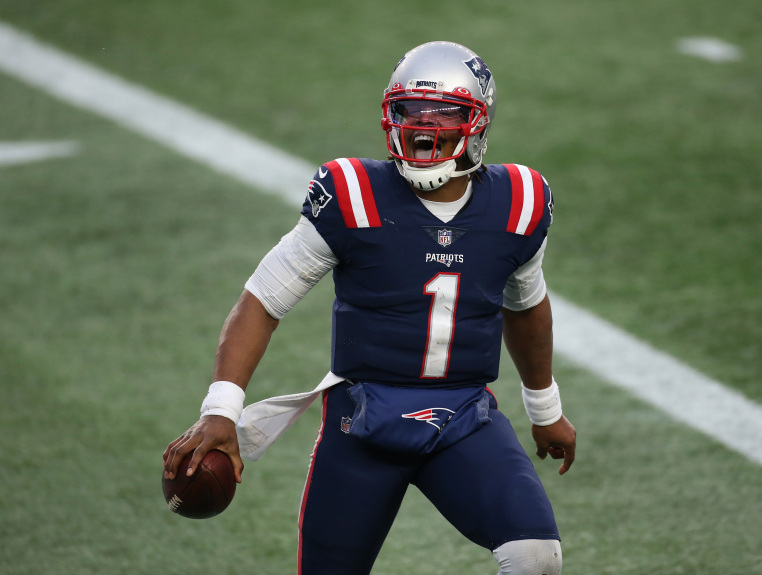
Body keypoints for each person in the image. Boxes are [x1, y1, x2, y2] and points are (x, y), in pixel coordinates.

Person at [163, 41, 576, 575]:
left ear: (478, 121)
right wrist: (220, 409)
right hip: (362, 421)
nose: (423, 128)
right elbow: (262, 301)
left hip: (463, 418)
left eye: (444, 113)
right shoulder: (352, 194)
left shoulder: (520, 202)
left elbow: (525, 305)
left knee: (535, 557)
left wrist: (545, 409)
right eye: (410, 111)